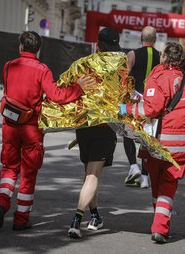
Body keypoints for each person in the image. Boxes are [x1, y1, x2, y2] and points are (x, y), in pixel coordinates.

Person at [0, 31, 94, 231]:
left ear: (21, 46)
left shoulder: (9, 67)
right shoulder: (42, 70)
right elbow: (57, 96)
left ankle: (1, 203)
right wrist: (78, 87)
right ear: (38, 49)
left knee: (9, 168)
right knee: (28, 173)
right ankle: (21, 219)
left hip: (9, 127)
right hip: (31, 128)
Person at [118, 42, 185, 243]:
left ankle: (160, 227)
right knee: (168, 186)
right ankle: (160, 223)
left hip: (159, 145)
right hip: (183, 148)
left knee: (158, 184)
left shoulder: (158, 77)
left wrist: (126, 109)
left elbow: (151, 110)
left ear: (164, 58)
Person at [67, 27, 121, 239]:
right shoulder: (118, 68)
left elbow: (69, 89)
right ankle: (76, 220)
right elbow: (122, 100)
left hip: (83, 126)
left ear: (98, 44)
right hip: (104, 127)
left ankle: (95, 216)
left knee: (90, 174)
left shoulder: (83, 64)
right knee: (92, 175)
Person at [124, 26, 160, 188]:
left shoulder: (132, 54)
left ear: (141, 38)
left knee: (127, 133)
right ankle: (145, 178)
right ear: (155, 40)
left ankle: (133, 166)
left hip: (134, 100)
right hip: (152, 102)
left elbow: (124, 77)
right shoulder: (161, 57)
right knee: (147, 138)